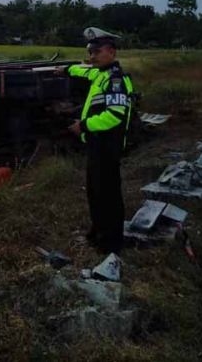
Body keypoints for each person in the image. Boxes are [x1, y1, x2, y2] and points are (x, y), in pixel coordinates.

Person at [66, 27, 135, 256]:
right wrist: (65, 69)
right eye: (90, 51)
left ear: (111, 52)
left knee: (108, 194)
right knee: (95, 191)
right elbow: (83, 71)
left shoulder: (116, 81)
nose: (91, 56)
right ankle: (97, 232)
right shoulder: (100, 73)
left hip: (108, 146)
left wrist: (83, 126)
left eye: (96, 51)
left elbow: (114, 116)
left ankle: (111, 242)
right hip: (96, 144)